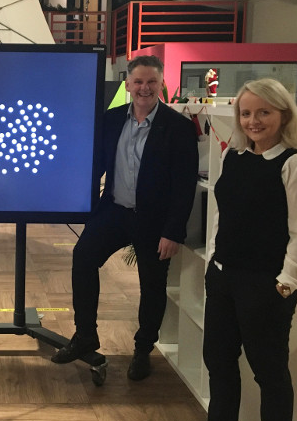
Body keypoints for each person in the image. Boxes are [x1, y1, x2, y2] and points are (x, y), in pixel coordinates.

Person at [181, 79, 297, 421]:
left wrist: (286, 285)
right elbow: (221, 216)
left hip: (266, 285)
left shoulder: (296, 166)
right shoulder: (234, 157)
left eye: (264, 112)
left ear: (283, 115)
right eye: (246, 113)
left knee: (269, 372)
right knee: (219, 364)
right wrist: (213, 262)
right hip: (225, 278)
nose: (253, 120)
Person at [51, 55, 198, 380]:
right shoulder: (112, 119)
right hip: (114, 211)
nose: (145, 88)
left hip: (155, 221)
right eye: (139, 81)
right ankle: (85, 335)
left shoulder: (179, 128)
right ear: (128, 84)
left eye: (151, 82)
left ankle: (143, 349)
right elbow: (96, 165)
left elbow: (184, 185)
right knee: (83, 257)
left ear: (161, 84)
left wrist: (173, 231)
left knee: (152, 285)